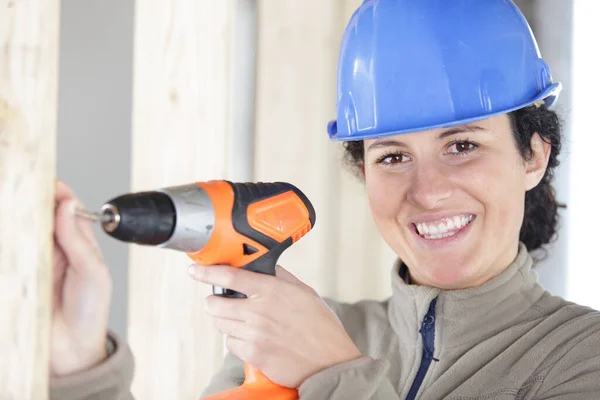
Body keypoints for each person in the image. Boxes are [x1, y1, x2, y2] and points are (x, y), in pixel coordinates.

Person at [50, 1, 600, 399]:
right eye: (392, 156)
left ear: (532, 154)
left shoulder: (581, 360)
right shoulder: (298, 339)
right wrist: (84, 367)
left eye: (462, 145)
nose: (427, 191)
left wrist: (336, 374)